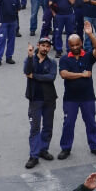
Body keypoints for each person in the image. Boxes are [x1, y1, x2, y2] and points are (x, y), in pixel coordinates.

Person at [58, 24, 96, 159]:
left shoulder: (88, 56)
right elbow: (64, 74)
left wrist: (90, 34)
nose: (75, 47)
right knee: (68, 124)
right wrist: (82, 75)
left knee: (91, 122)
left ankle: (94, 146)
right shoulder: (64, 59)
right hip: (70, 99)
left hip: (88, 97)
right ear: (69, 46)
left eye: (77, 44)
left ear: (81, 43)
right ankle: (65, 148)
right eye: (72, 45)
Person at [23, 37, 57, 169]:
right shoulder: (30, 59)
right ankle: (34, 156)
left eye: (47, 46)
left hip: (49, 99)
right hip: (35, 99)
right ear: (38, 45)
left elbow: (51, 77)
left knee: (48, 126)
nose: (45, 48)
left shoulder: (52, 62)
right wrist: (30, 57)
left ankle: (43, 149)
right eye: (43, 45)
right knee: (35, 128)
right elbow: (27, 71)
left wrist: (35, 76)